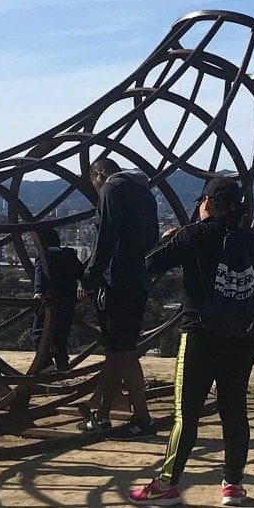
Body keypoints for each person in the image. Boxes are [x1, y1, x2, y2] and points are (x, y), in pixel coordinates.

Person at [130, 174, 254, 508]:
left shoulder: (193, 236)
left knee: (185, 415)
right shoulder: (250, 241)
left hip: (200, 336)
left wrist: (169, 240)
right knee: (234, 412)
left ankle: (167, 484)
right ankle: (233, 485)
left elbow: (149, 263)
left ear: (210, 203)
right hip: (243, 338)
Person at [80, 156, 158, 435]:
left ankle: (144, 419)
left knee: (122, 352)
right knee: (118, 351)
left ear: (99, 174)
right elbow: (152, 239)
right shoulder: (145, 192)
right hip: (138, 280)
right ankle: (100, 414)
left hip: (117, 282)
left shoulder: (112, 190)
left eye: (94, 185)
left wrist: (89, 277)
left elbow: (106, 238)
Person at [30, 225, 83, 371]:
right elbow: (82, 273)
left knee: (39, 333)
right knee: (61, 335)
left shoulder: (44, 254)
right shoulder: (69, 255)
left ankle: (46, 363)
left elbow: (40, 273)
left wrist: (38, 291)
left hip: (50, 301)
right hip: (68, 302)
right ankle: (62, 362)